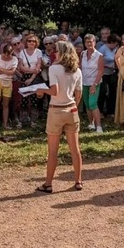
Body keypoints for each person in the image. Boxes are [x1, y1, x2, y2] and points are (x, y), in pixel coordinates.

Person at [34, 41, 84, 193]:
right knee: (75, 149)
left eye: (56, 50)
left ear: (61, 52)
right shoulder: (77, 70)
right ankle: (78, 181)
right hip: (71, 110)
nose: (53, 52)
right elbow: (78, 93)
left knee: (53, 151)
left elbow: (54, 91)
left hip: (56, 110)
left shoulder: (54, 68)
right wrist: (74, 104)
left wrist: (42, 91)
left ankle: (48, 184)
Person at [0, 43, 18, 132]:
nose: (6, 56)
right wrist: (6, 71)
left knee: (5, 105)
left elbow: (12, 72)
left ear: (11, 53)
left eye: (8, 54)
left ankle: (5, 124)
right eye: (5, 54)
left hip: (8, 82)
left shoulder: (14, 59)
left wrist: (1, 70)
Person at [18, 34, 44, 127]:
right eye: (29, 41)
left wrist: (32, 78)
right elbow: (21, 66)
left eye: (33, 41)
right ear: (26, 42)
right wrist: (31, 71)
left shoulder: (38, 52)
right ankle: (23, 120)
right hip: (25, 76)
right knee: (24, 98)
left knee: (34, 99)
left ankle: (34, 121)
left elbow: (38, 66)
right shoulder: (22, 52)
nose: (31, 43)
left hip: (35, 77)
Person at [81, 33, 104, 133]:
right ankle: (91, 123)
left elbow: (100, 71)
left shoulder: (99, 55)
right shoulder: (82, 54)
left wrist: (94, 84)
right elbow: (79, 67)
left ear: (95, 42)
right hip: (84, 82)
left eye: (91, 41)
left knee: (93, 103)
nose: (89, 43)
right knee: (87, 104)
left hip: (94, 82)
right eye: (87, 42)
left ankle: (99, 126)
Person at [98, 33, 119, 118]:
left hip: (112, 73)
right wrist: (107, 66)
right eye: (115, 44)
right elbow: (97, 62)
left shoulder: (115, 49)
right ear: (111, 42)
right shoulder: (102, 49)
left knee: (112, 92)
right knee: (102, 91)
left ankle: (111, 111)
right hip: (103, 73)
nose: (116, 46)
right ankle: (100, 111)